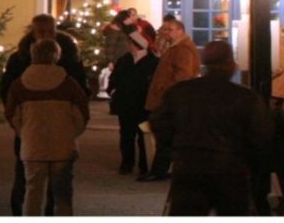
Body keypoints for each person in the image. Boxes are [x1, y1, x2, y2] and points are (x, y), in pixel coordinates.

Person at [151, 41, 273, 215]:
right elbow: (261, 135)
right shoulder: (245, 97)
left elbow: (159, 123)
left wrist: (176, 148)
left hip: (189, 165)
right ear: (230, 64)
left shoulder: (181, 92)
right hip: (230, 168)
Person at [1, 14, 89, 215]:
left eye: (50, 31)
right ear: (33, 32)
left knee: (55, 186)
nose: (46, 36)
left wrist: (71, 129)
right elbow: (8, 97)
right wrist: (20, 127)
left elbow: (81, 98)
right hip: (31, 130)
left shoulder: (69, 57)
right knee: (27, 179)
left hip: (55, 130)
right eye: (41, 32)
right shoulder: (20, 58)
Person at [140, 16, 201, 181]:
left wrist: (165, 92)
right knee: (165, 137)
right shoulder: (175, 47)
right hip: (167, 98)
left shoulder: (182, 49)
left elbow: (183, 76)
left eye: (170, 30)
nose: (166, 33)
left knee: (165, 136)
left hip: (169, 100)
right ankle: (160, 169)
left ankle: (160, 170)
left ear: (180, 31)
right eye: (165, 29)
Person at [107, 33, 158, 175]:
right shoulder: (125, 59)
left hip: (143, 104)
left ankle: (144, 164)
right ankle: (127, 163)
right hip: (126, 103)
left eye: (131, 43)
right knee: (126, 135)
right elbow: (115, 78)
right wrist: (112, 90)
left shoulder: (153, 62)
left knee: (143, 136)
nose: (128, 45)